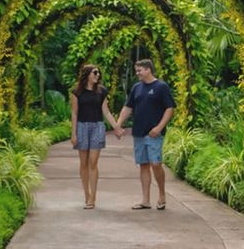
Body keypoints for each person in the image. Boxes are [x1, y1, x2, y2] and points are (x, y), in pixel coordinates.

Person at [115, 58, 175, 210]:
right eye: (136, 70)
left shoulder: (161, 86)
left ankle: (162, 194)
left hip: (154, 133)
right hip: (139, 133)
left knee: (155, 164)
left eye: (139, 70)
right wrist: (118, 124)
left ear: (148, 69)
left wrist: (159, 127)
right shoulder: (136, 88)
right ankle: (145, 200)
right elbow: (128, 107)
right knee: (143, 165)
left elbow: (170, 109)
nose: (137, 73)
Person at [70, 63, 122, 209]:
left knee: (93, 162)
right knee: (84, 163)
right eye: (95, 73)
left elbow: (106, 111)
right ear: (87, 74)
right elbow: (74, 113)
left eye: (98, 73)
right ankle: (86, 194)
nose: (97, 75)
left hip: (97, 126)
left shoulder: (101, 91)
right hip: (81, 126)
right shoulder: (76, 92)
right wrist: (73, 133)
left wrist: (116, 127)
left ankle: (93, 197)